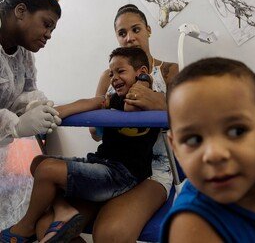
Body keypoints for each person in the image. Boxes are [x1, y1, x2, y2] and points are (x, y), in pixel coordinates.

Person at [35, 4, 178, 242]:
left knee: (110, 234)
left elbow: (184, 121)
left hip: (154, 170)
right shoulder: (110, 76)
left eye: (136, 29)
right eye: (122, 33)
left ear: (149, 30)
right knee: (46, 226)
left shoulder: (169, 71)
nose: (130, 37)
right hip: (113, 162)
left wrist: (152, 99)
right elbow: (96, 133)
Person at [0, 46, 161, 243]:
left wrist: (144, 81)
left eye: (120, 71)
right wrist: (54, 113)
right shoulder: (114, 99)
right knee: (38, 163)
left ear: (142, 73)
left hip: (124, 174)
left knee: (47, 171)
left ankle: (25, 227)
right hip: (102, 164)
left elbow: (132, 102)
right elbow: (90, 102)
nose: (114, 78)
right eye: (111, 73)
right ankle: (63, 209)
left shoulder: (151, 100)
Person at [160, 57, 255, 242]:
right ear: (175, 148)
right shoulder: (190, 226)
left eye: (236, 131)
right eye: (193, 139)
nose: (214, 154)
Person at [0, 0, 62, 228]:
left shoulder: (24, 54)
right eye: (46, 24)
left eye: (52, 29)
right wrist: (15, 124)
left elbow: (22, 94)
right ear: (21, 11)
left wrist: (33, 103)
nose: (48, 35)